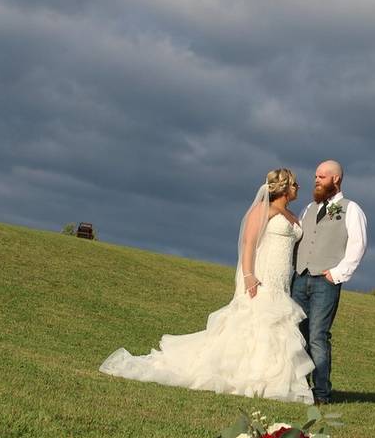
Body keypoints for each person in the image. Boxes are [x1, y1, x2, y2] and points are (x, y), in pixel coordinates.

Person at [99, 168, 315, 404]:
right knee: (257, 323)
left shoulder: (293, 215)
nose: (298, 188)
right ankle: (250, 377)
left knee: (278, 327)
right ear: (283, 187)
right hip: (263, 276)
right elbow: (249, 243)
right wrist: (249, 275)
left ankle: (275, 380)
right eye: (295, 184)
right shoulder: (263, 211)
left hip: (282, 280)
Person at [291, 160, 367, 405]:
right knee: (297, 334)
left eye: (322, 176)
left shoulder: (351, 209)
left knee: (318, 335)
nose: (316, 180)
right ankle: (300, 388)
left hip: (325, 282)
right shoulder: (307, 209)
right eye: (315, 176)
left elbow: (358, 245)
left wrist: (337, 274)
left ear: (336, 179)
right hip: (300, 279)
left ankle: (321, 393)